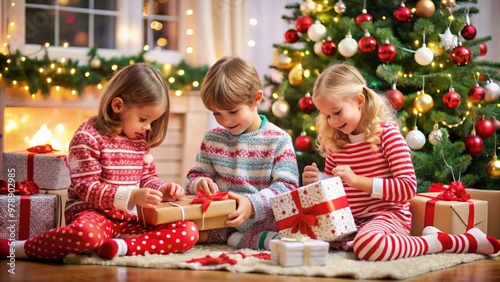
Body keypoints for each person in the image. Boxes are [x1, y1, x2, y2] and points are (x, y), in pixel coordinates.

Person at [302, 62, 500, 261]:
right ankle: (352, 241)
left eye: (337, 112)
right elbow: (334, 195)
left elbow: (407, 189)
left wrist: (357, 181)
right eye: (327, 116)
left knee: (369, 247)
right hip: (351, 221)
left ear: (359, 100)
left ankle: (444, 242)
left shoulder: (388, 136)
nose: (333, 122)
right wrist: (317, 182)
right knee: (301, 238)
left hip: (388, 216)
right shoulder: (335, 144)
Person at [1, 63, 199, 261]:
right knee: (85, 236)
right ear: (118, 106)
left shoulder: (138, 140)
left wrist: (162, 190)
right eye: (143, 119)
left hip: (131, 219)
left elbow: (147, 177)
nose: (148, 127)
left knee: (188, 230)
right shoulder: (88, 137)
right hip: (93, 215)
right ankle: (20, 248)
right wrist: (132, 195)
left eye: (152, 122)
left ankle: (119, 247)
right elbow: (86, 187)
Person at [185, 56, 299, 250]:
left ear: (256, 98)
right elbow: (193, 178)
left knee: (291, 231)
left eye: (233, 111)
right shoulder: (212, 139)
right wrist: (199, 183)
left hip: (264, 219)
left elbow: (287, 188)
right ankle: (239, 239)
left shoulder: (278, 139)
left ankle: (243, 239)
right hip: (221, 220)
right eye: (217, 113)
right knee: (186, 230)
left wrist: (252, 204)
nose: (226, 121)